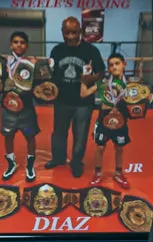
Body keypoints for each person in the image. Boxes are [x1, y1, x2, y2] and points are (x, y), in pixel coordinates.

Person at [45, 14, 103, 178]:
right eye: (67, 33)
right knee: (58, 133)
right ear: (62, 32)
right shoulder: (57, 50)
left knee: (80, 135)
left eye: (74, 32)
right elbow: (51, 73)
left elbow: (101, 73)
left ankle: (76, 162)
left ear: (80, 32)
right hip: (61, 100)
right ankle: (58, 159)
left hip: (83, 103)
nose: (70, 36)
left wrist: (90, 78)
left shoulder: (91, 50)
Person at [0, 31, 39, 183]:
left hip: (26, 109)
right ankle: (11, 163)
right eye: (16, 42)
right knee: (8, 135)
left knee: (30, 135)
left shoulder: (31, 63)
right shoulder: (3, 62)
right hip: (8, 107)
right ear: (11, 45)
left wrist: (36, 69)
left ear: (27, 46)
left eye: (22, 42)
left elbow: (39, 86)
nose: (19, 45)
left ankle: (30, 165)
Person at [91, 51, 133, 187]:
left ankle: (118, 173)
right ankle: (97, 173)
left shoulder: (131, 85)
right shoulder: (104, 83)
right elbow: (88, 93)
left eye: (117, 64)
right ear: (108, 68)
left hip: (121, 121)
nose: (114, 67)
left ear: (124, 65)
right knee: (100, 147)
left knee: (119, 148)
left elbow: (137, 101)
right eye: (111, 65)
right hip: (104, 120)